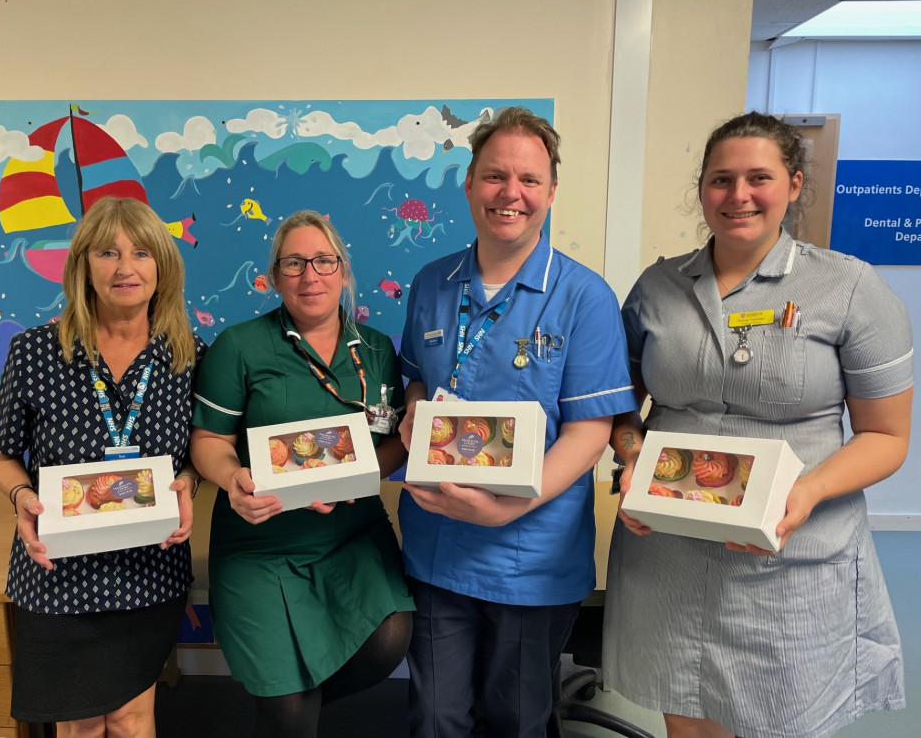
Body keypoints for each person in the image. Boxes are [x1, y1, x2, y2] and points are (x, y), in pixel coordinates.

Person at [603, 111, 913, 738]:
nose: (738, 195)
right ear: (702, 191)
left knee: (782, 716)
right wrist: (632, 457)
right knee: (685, 712)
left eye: (758, 178)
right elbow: (620, 406)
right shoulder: (658, 287)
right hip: (671, 548)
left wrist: (808, 491)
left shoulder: (848, 288)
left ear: (794, 185)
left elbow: (888, 437)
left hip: (790, 549)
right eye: (721, 180)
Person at [397, 106, 638, 737]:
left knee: (518, 718)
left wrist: (508, 508)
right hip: (437, 545)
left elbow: (590, 431)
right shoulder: (432, 282)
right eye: (495, 176)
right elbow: (414, 375)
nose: (512, 194)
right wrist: (417, 409)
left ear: (551, 192)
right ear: (471, 183)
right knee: (433, 714)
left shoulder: (584, 297)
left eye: (529, 180)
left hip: (530, 554)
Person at [0, 195, 205, 736]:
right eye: (108, 252)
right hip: (59, 569)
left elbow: (199, 452)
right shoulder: (35, 351)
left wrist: (188, 484)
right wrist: (20, 498)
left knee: (132, 716)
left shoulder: (188, 354)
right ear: (83, 265)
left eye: (142, 253)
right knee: (79, 723)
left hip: (148, 568)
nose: (125, 268)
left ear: (163, 267)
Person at [189, 210, 413, 738]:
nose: (310, 275)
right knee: (288, 710)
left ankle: (290, 704)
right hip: (261, 541)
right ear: (272, 276)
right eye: (293, 263)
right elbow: (208, 441)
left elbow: (390, 446)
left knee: (390, 637)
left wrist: (351, 479)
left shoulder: (377, 351)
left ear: (342, 269)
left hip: (351, 533)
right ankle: (286, 708)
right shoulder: (239, 347)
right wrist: (232, 482)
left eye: (322, 261)